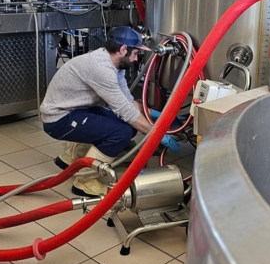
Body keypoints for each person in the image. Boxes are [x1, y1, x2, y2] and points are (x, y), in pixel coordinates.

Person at [40, 26, 179, 197]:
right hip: (58, 119)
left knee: (128, 126)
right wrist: (158, 135)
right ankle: (85, 182)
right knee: (121, 133)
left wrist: (154, 114)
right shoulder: (101, 69)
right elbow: (126, 112)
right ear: (123, 49)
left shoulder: (113, 63)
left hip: (76, 110)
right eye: (136, 53)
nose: (136, 59)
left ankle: (71, 157)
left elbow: (127, 101)